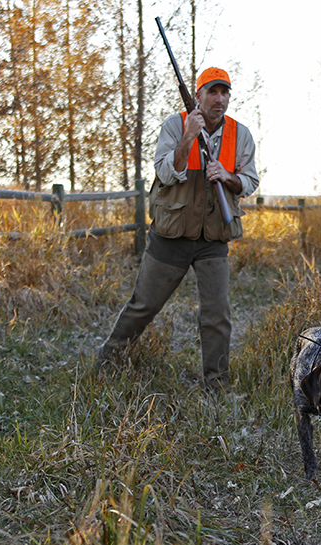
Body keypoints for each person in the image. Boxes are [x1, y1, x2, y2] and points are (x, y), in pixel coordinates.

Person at [97, 66, 258, 388]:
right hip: (172, 234)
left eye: (224, 92)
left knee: (217, 315)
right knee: (143, 305)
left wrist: (227, 176)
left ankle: (217, 384)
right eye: (212, 91)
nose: (219, 98)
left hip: (214, 235)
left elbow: (250, 181)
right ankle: (106, 362)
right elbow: (166, 173)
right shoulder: (174, 125)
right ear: (197, 95)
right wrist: (188, 136)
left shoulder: (241, 134)